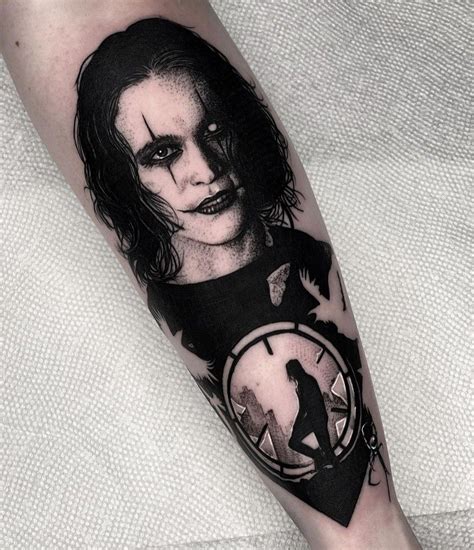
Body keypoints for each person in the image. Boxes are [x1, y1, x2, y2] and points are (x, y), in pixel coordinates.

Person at [0, 2, 420, 547]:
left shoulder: (305, 267)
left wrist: (372, 534)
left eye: (216, 129)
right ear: (122, 179)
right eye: (163, 153)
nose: (205, 170)